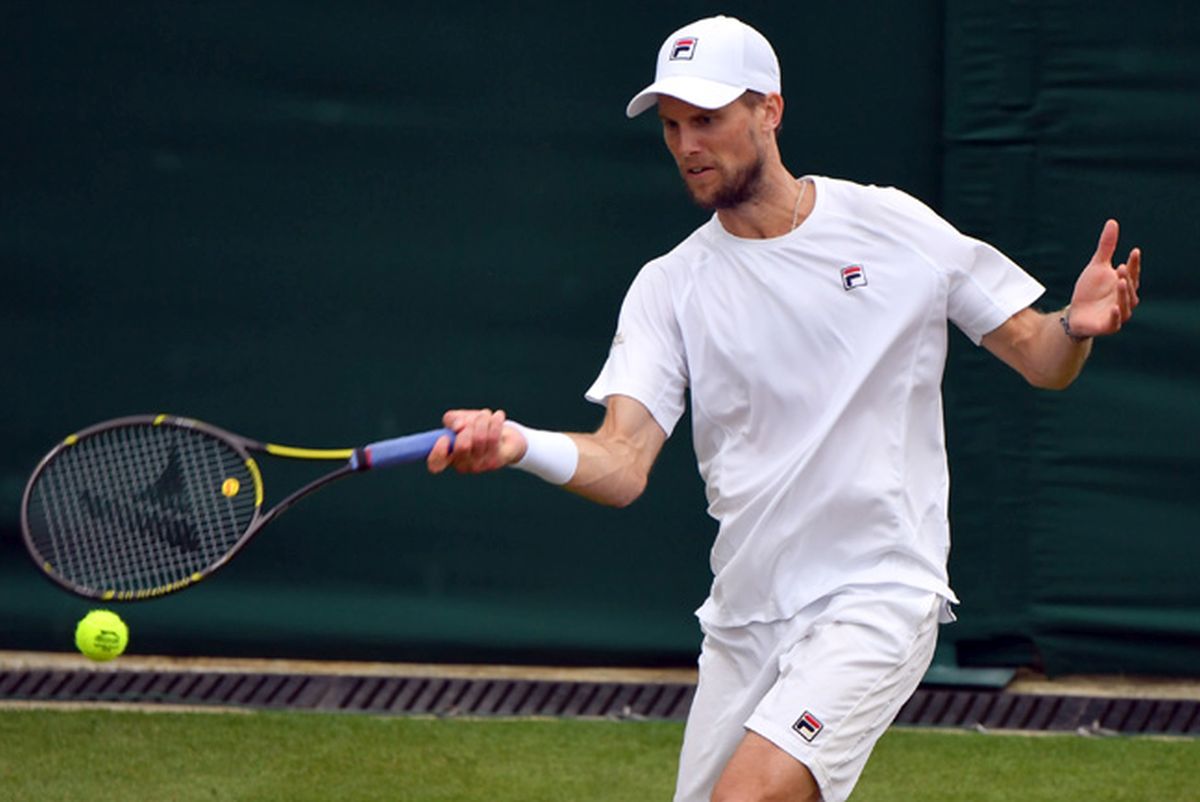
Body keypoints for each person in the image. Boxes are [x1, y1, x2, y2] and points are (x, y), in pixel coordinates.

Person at [427, 15, 1141, 802]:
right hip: (744, 617)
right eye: (671, 126)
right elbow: (623, 462)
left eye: (707, 119)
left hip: (877, 593)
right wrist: (520, 443)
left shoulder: (891, 224)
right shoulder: (668, 285)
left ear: (769, 110)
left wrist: (1075, 326)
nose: (686, 144)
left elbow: (1038, 357)